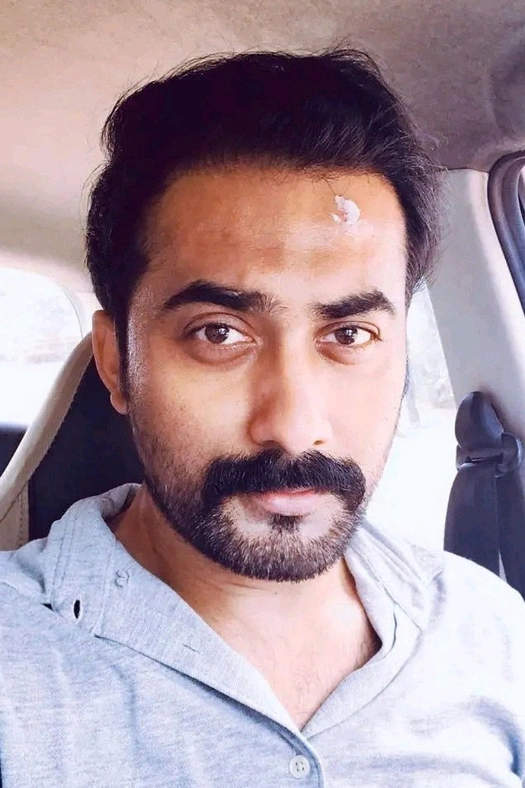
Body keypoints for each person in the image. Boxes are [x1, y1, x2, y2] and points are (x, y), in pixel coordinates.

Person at [0, 49, 524, 788]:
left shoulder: (489, 630)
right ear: (116, 363)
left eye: (349, 334)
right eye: (219, 333)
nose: (294, 427)